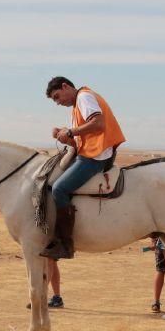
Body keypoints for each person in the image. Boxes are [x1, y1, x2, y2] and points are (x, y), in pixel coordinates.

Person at [42, 77, 126, 260]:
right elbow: (83, 138)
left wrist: (71, 131)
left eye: (57, 97)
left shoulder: (84, 97)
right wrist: (66, 137)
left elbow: (98, 123)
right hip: (92, 152)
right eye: (55, 100)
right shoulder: (78, 104)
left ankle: (65, 243)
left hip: (96, 157)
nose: (58, 102)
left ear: (65, 86)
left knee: (59, 188)